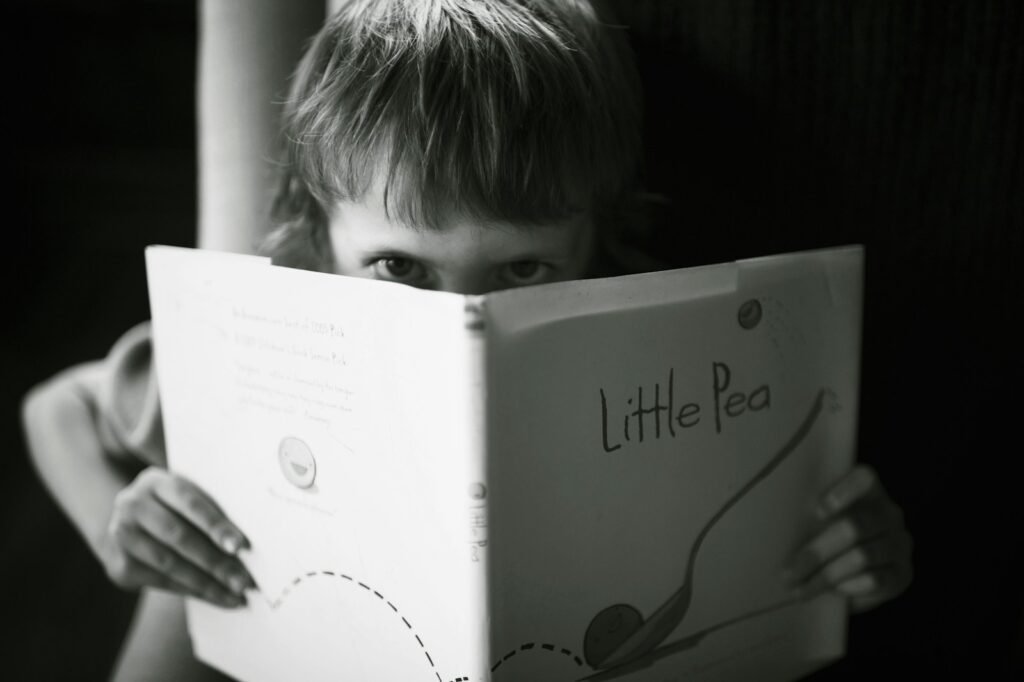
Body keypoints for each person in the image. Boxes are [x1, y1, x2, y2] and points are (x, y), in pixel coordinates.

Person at [21, 1, 912, 679]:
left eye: (524, 270)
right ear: (317, 231)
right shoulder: (264, 351)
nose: (461, 320)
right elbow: (54, 408)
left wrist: (854, 562)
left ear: (599, 239)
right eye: (400, 269)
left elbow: (788, 559)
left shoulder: (670, 353)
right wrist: (119, 516)